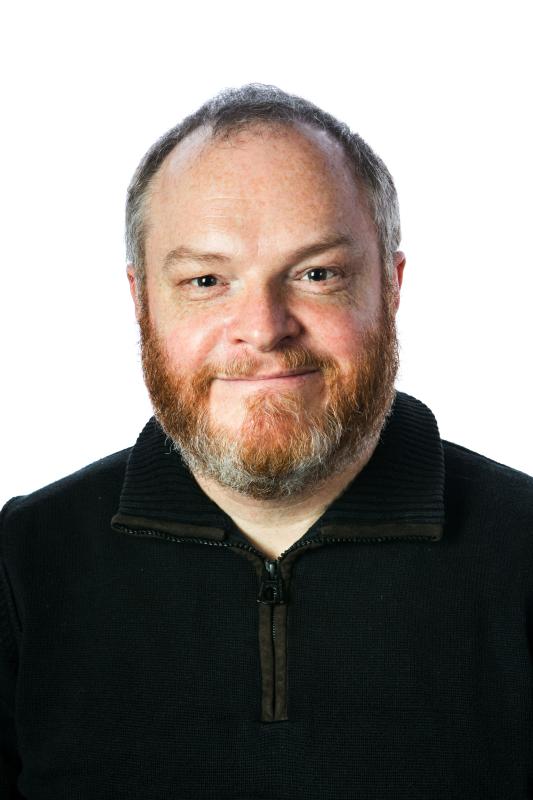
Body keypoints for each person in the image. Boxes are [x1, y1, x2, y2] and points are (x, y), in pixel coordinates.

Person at [1, 84, 532, 800]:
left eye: (317, 274)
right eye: (206, 280)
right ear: (141, 301)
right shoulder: (23, 563)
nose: (263, 327)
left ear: (390, 286)